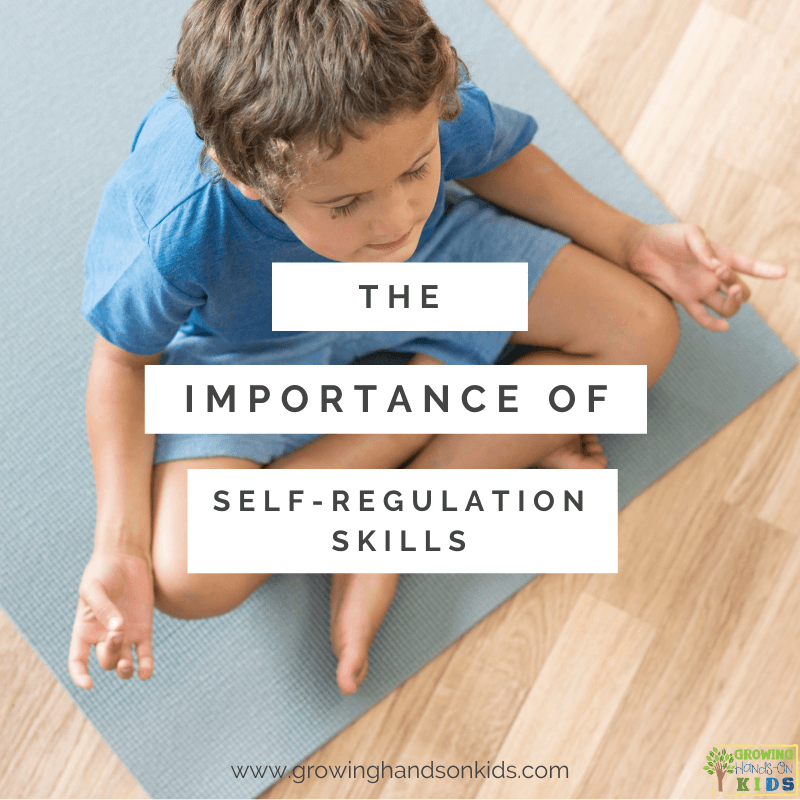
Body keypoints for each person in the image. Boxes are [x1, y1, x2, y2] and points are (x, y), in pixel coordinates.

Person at [69, 0, 786, 696]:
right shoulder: (176, 226)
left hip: (436, 270)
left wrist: (633, 241)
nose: (395, 219)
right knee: (191, 579)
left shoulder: (402, 92)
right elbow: (125, 362)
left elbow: (500, 158)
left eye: (416, 170)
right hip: (257, 344)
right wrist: (120, 546)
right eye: (346, 203)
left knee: (643, 332)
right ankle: (421, 410)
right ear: (246, 179)